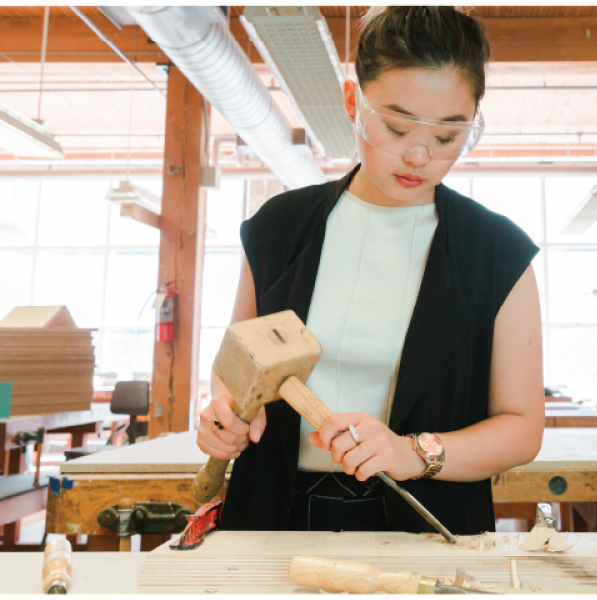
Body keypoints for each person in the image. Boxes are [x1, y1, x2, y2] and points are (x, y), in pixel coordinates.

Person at [197, 6, 545, 536]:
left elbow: (522, 430)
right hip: (269, 519)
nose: (420, 155)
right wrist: (223, 413)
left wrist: (414, 452)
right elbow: (234, 367)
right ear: (351, 102)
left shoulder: (495, 252)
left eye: (449, 136)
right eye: (397, 127)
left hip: (425, 528)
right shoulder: (278, 229)